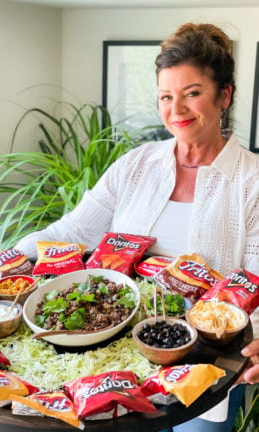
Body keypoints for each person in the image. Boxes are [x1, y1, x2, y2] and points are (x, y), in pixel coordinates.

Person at [15, 23, 259, 431]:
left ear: (225, 94)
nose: (176, 109)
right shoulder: (136, 164)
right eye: (166, 96)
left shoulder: (252, 180)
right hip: (123, 357)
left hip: (206, 367)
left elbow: (256, 276)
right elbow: (75, 229)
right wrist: (4, 259)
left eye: (192, 93)